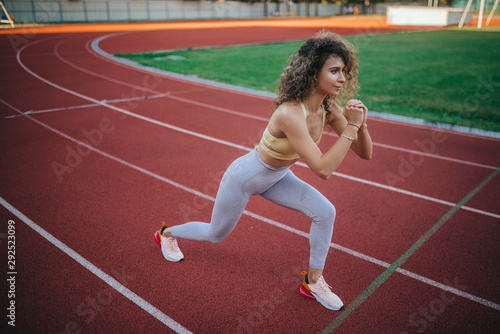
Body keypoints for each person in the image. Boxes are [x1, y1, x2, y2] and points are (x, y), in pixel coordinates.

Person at [154, 31, 372, 311]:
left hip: (278, 177)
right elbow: (323, 169)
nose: (342, 77)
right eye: (334, 71)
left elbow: (365, 153)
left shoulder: (329, 107)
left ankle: (313, 282)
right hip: (247, 176)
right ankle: (167, 234)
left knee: (325, 212)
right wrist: (352, 128)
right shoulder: (290, 113)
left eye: (344, 71)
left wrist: (361, 125)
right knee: (215, 234)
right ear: (312, 72)